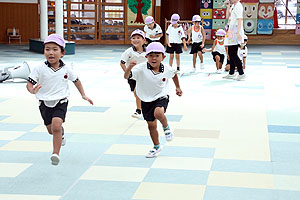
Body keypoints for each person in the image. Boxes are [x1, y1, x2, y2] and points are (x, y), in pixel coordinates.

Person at [26, 34, 93, 166]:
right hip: (44, 102)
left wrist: (83, 95)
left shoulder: (66, 68)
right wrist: (32, 90)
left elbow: (76, 81)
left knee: (56, 126)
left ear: (62, 53)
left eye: (55, 49)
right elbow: (29, 83)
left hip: (61, 101)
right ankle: (61, 134)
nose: (51, 52)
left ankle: (55, 154)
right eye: (47, 49)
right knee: (51, 130)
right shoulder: (39, 68)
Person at [124, 42, 182, 158]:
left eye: (157, 55)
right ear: (146, 57)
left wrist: (178, 87)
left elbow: (174, 75)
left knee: (159, 113)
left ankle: (166, 128)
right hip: (145, 99)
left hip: (161, 95)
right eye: (151, 55)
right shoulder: (140, 68)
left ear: (163, 57)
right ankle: (156, 146)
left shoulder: (167, 68)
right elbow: (126, 77)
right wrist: (129, 67)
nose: (154, 58)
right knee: (151, 126)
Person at [120, 29, 147, 119]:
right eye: (133, 38)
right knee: (136, 93)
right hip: (132, 76)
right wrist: (127, 73)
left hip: (144, 76)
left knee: (137, 91)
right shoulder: (129, 51)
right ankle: (142, 107)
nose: (136, 40)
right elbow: (122, 63)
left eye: (138, 38)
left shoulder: (148, 51)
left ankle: (138, 111)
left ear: (144, 40)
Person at [223, 0, 245, 81]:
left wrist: (238, 33)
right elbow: (227, 17)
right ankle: (231, 73)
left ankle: (241, 73)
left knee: (233, 53)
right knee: (231, 52)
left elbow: (240, 20)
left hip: (235, 30)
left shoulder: (238, 6)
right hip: (231, 30)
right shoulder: (233, 5)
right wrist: (228, 6)